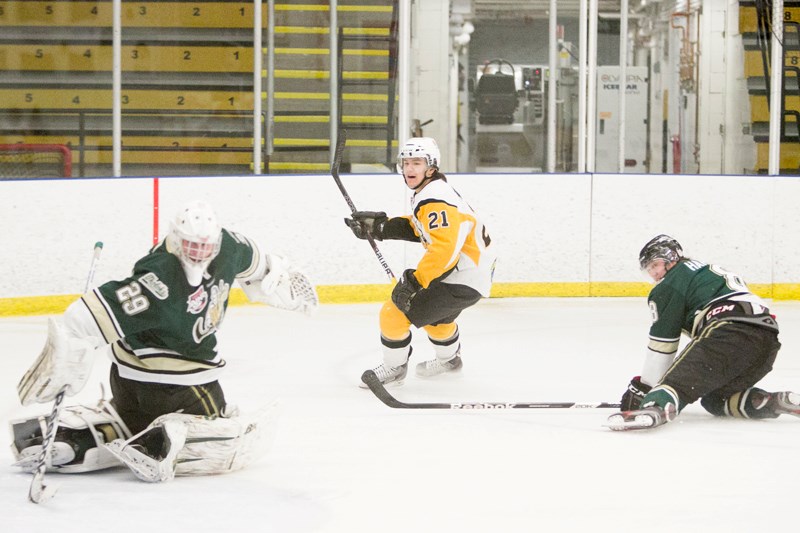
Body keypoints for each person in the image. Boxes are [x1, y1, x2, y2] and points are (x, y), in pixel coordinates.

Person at [11, 200, 318, 481]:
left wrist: (277, 276)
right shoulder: (157, 277)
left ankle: (79, 436)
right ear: (174, 238)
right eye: (190, 245)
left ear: (215, 239)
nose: (198, 252)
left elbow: (260, 265)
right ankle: (161, 442)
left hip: (127, 382)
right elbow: (83, 317)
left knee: (128, 416)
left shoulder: (230, 246)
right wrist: (68, 355)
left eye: (204, 246)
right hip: (183, 386)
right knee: (220, 424)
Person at [344, 137, 496, 386]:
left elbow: (444, 248)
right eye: (406, 163)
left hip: (460, 274)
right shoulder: (433, 192)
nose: (410, 169)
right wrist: (381, 228)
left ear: (431, 167)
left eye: (417, 162)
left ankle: (394, 369)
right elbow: (423, 228)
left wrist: (415, 281)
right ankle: (450, 361)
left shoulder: (434, 198)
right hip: (472, 275)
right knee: (436, 318)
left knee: (394, 312)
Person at [608, 234, 800, 430]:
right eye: (649, 270)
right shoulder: (702, 272)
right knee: (716, 399)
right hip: (766, 340)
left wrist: (645, 389)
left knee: (676, 385)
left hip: (728, 330)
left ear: (671, 259)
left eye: (655, 265)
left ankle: (654, 409)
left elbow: (662, 347)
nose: (654, 274)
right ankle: (773, 401)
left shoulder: (671, 283)